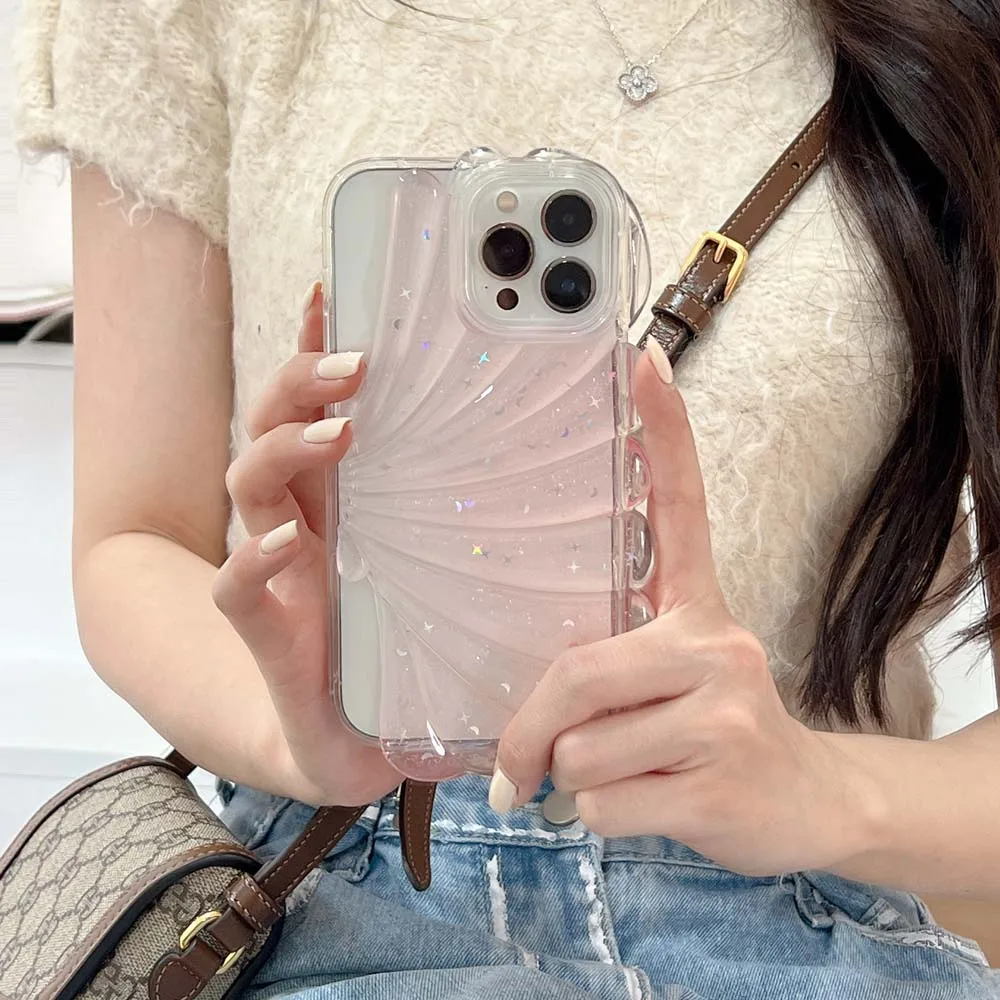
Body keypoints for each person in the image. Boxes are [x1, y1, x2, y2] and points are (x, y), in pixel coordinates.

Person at [14, 0, 1000, 996]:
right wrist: (293, 729)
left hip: (800, 923)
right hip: (334, 886)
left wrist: (815, 786)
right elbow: (135, 535)